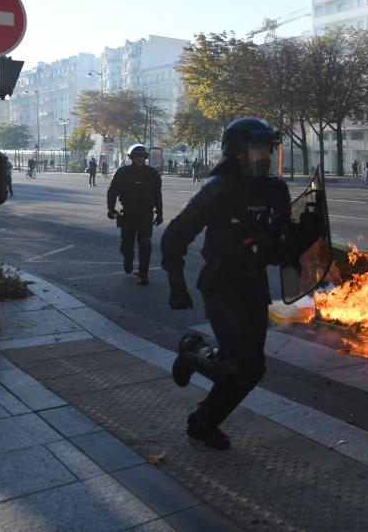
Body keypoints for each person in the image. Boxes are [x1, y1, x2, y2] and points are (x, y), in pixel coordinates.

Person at [162, 118, 322, 450]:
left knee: (252, 367)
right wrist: (176, 284)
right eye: (255, 148)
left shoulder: (275, 189)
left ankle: (203, 423)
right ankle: (192, 351)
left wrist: (305, 233)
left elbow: (281, 247)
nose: (263, 155)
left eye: (267, 148)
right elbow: (175, 236)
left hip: (254, 287)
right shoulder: (219, 188)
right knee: (239, 363)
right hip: (222, 285)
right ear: (236, 153)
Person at [107, 144, 163, 285]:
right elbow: (112, 192)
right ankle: (128, 260)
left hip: (145, 214)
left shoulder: (152, 173)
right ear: (131, 158)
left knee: (145, 244)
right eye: (137, 156)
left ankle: (143, 274)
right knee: (126, 245)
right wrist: (111, 208)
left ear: (145, 157)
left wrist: (160, 212)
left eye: (142, 156)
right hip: (128, 214)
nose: (140, 159)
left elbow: (157, 195)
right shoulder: (122, 173)